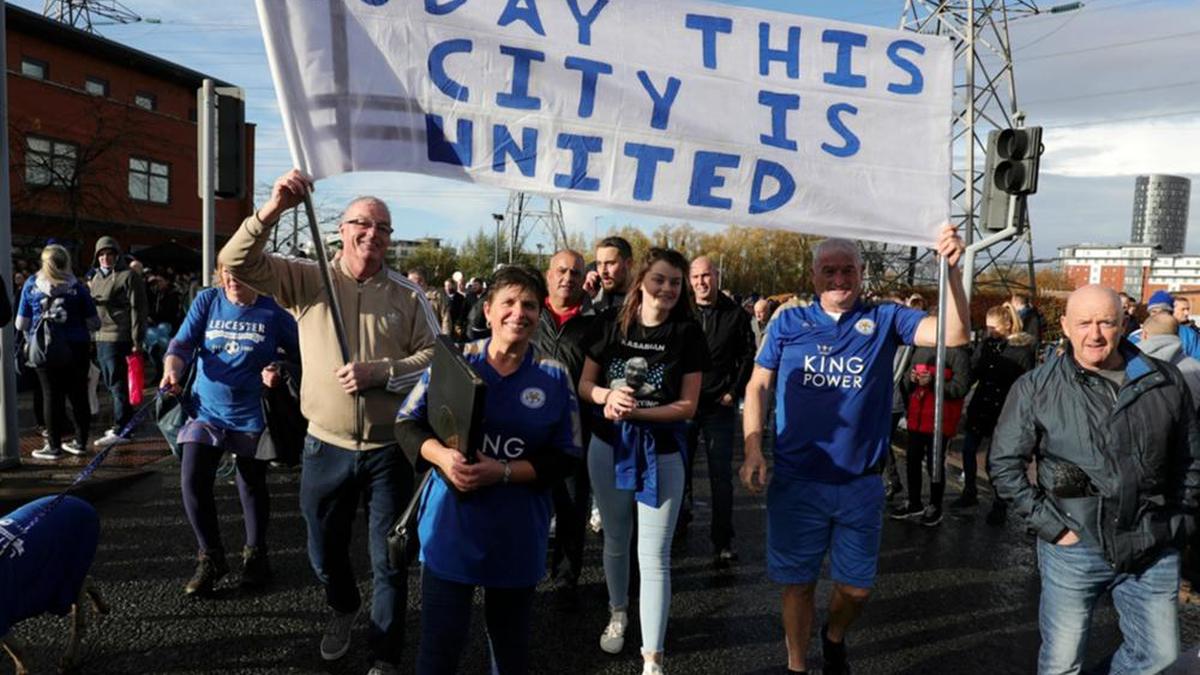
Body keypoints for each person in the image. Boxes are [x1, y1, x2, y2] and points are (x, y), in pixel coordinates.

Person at [218, 169, 438, 675]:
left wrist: (382, 374)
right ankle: (342, 606)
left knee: (390, 560)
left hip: (390, 449)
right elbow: (235, 261)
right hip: (325, 446)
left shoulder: (408, 295)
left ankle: (384, 655)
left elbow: (433, 358)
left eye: (383, 227)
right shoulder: (308, 278)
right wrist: (275, 207)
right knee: (323, 551)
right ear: (341, 229)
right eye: (363, 223)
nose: (373, 234)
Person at [740, 227, 968, 674]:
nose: (838, 278)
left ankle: (834, 635)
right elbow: (758, 383)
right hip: (798, 478)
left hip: (860, 483)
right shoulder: (787, 322)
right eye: (829, 270)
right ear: (814, 274)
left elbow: (954, 334)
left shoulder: (885, 318)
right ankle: (797, 665)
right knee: (798, 585)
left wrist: (954, 275)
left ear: (862, 273)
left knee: (857, 589)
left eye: (848, 269)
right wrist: (753, 448)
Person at [989, 284, 1200, 675]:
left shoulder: (1166, 381)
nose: (1095, 334)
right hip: (1074, 545)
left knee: (1159, 659)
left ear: (1124, 325)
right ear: (1066, 326)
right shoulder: (1036, 387)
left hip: (1151, 542)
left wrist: (1178, 521)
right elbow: (1004, 465)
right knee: (1061, 664)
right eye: (1084, 323)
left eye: (1106, 322)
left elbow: (1190, 458)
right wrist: (1051, 526)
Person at [396, 265, 581, 675]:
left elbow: (568, 455)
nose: (519, 313)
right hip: (451, 528)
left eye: (530, 305)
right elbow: (407, 422)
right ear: (489, 309)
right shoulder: (456, 360)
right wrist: (442, 457)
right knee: (438, 651)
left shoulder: (554, 374)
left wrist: (504, 471)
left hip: (516, 534)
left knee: (510, 653)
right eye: (509, 302)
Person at [579, 247, 710, 675]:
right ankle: (618, 613)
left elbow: (688, 406)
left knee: (654, 555)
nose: (668, 288)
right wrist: (607, 397)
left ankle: (652, 657)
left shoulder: (688, 334)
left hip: (663, 451)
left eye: (675, 281)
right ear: (641, 281)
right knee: (616, 539)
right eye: (660, 279)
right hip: (608, 445)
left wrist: (636, 412)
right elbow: (585, 385)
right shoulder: (608, 324)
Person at [161, 264, 299, 596]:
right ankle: (210, 558)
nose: (232, 280)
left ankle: (256, 556)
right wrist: (172, 371)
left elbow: (302, 355)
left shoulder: (273, 310)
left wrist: (279, 369)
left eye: (240, 272)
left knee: (251, 483)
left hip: (252, 412)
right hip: (206, 409)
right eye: (227, 272)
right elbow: (180, 345)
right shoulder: (208, 301)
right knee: (192, 479)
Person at [533, 249, 600, 607]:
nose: (568, 278)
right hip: (527, 425)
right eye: (561, 270)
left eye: (575, 272)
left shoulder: (596, 321)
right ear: (548, 275)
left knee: (572, 505)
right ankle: (522, 567)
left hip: (576, 428)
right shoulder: (528, 312)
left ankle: (565, 579)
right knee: (527, 500)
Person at [682, 255, 755, 565]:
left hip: (718, 406)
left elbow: (748, 356)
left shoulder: (735, 315)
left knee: (720, 476)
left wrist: (733, 391)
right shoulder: (681, 311)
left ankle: (723, 540)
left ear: (717, 277)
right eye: (696, 277)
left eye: (706, 276)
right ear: (690, 280)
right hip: (683, 405)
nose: (701, 282)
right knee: (677, 472)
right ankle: (674, 527)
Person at [15, 245, 101, 460]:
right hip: (76, 347)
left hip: (46, 348)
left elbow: (20, 323)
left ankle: (53, 446)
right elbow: (94, 323)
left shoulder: (31, 285)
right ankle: (80, 442)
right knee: (78, 394)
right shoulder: (78, 288)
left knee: (51, 396)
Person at [954, 304, 1035, 523]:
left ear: (1007, 326)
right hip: (981, 404)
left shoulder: (1021, 351)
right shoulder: (988, 345)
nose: (990, 331)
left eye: (994, 327)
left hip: (1004, 408)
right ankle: (969, 491)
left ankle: (1000, 502)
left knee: (996, 459)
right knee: (969, 450)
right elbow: (975, 370)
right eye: (988, 328)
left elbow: (1026, 384)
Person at [889, 336, 970, 527]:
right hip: (917, 418)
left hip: (940, 420)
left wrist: (933, 381)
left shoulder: (958, 354)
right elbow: (906, 383)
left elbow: (960, 388)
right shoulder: (921, 350)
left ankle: (935, 505)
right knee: (912, 461)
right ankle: (914, 501)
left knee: (935, 464)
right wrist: (911, 379)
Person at [89, 236, 148, 448]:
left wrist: (136, 340)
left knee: (118, 384)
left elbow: (138, 310)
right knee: (110, 382)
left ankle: (122, 427)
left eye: (110, 254)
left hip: (118, 336)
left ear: (117, 255)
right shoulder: (94, 278)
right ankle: (123, 424)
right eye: (102, 254)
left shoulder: (128, 276)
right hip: (99, 336)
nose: (105, 258)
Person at [586, 236, 634, 313]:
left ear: (628, 263)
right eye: (599, 264)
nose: (603, 271)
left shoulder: (645, 301)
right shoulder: (594, 299)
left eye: (610, 263)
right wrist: (585, 299)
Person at [407, 268, 452, 335]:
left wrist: (444, 337)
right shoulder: (409, 297)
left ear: (421, 281)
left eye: (411, 281)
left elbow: (446, 318)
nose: (408, 283)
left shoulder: (436, 296)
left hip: (433, 337)